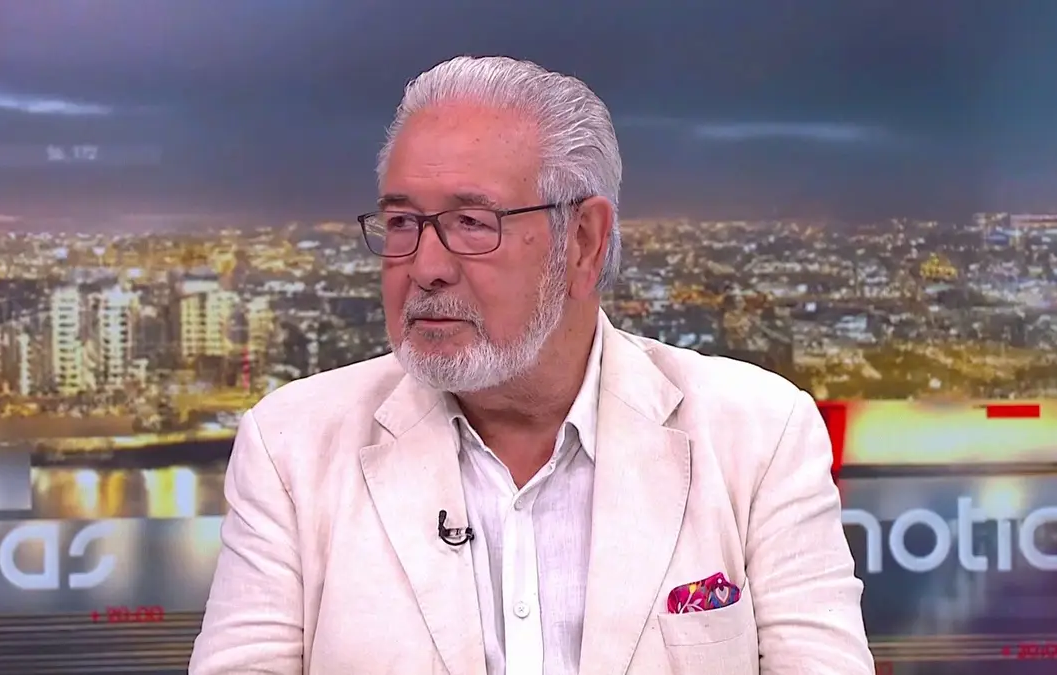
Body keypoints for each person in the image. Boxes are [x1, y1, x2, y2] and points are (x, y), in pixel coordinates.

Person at [189, 55, 874, 675]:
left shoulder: (760, 434)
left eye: (471, 223)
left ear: (583, 242)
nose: (424, 267)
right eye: (401, 223)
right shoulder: (292, 445)